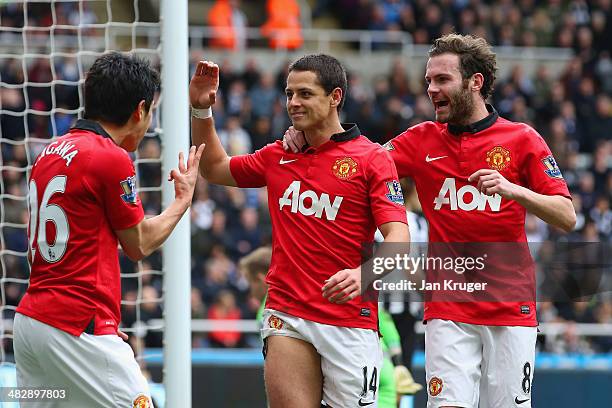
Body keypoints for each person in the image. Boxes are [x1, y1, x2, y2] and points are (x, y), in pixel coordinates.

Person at [283, 34, 576, 408]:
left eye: (442, 80)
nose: (431, 89)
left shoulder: (522, 139)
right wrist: (307, 136)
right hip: (447, 308)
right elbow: (358, 162)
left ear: (475, 82)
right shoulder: (420, 140)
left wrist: (513, 190)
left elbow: (567, 216)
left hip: (510, 307)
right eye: (428, 81)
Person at [189, 53, 409, 407]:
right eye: (289, 94)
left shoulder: (372, 159)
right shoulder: (279, 155)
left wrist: (364, 274)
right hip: (287, 312)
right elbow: (214, 168)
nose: (293, 102)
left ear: (335, 97)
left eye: (305, 94)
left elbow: (399, 241)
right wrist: (202, 109)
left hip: (349, 320)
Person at [14, 52, 204, 408]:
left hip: (32, 323)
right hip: (74, 324)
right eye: (152, 113)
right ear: (140, 109)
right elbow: (139, 244)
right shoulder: (109, 156)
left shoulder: (50, 151)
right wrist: (182, 200)